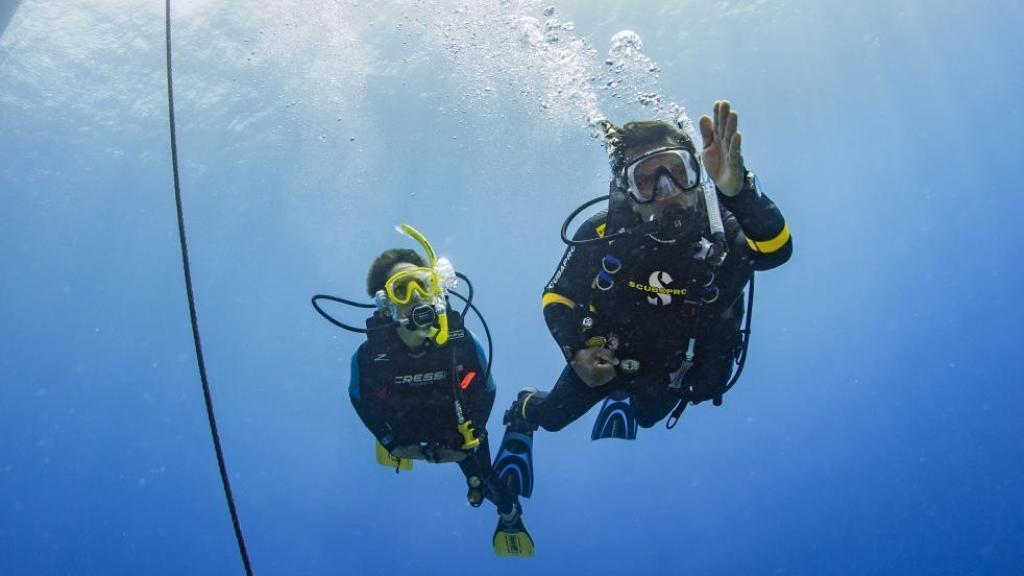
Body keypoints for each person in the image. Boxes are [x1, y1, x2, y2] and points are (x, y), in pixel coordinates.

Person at [493, 101, 792, 484]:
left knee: (649, 417)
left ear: (696, 172)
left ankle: (624, 400)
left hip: (680, 368)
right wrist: (576, 352)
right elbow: (557, 296)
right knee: (551, 418)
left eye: (677, 171)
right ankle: (523, 411)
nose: (666, 190)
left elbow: (775, 252)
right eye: (647, 179)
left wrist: (740, 192)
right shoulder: (604, 234)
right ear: (626, 190)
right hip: (609, 359)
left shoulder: (726, 226)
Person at [347, 224, 534, 557]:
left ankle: (509, 513)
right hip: (406, 425)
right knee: (404, 443)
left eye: (423, 283)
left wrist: (467, 440)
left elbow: (486, 390)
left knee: (484, 481)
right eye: (402, 289)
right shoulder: (368, 357)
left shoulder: (460, 342)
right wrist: (397, 445)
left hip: (457, 425)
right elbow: (362, 403)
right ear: (385, 304)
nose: (416, 296)